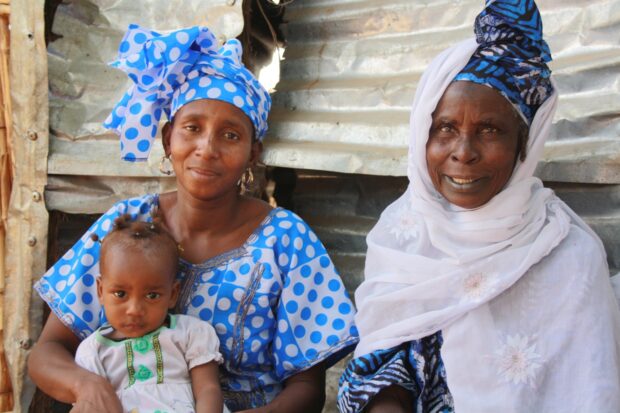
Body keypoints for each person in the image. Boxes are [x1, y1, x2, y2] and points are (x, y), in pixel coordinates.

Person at [28, 24, 358, 413]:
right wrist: (86, 386)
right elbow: (47, 352)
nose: (207, 149)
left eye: (231, 135)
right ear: (169, 139)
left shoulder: (284, 239)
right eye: (192, 128)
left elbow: (307, 389)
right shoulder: (127, 223)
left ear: (254, 153)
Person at [338, 1, 620, 412]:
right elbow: (384, 359)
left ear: (524, 145)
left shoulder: (570, 255)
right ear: (422, 135)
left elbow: (589, 390)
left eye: (490, 130)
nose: (463, 153)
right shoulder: (402, 232)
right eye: (445, 128)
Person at [75, 215, 227, 413]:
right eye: (120, 294)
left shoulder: (190, 333)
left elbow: (208, 389)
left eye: (152, 295)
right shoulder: (93, 352)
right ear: (100, 291)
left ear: (173, 294)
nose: (135, 310)